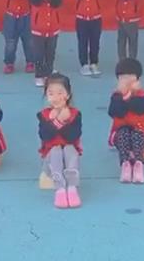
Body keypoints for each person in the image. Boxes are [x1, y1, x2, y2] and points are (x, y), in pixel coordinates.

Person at [108, 58, 144, 184]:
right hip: (121, 131)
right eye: (123, 77)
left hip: (141, 132)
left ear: (138, 78)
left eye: (130, 76)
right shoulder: (116, 96)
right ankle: (125, 164)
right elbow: (116, 112)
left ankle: (138, 164)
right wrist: (122, 95)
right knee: (123, 133)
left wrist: (130, 95)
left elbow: (141, 109)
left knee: (137, 133)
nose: (127, 80)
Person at [37, 74, 83, 209]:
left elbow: (73, 137)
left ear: (67, 95)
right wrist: (56, 121)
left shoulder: (75, 114)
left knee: (69, 149)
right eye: (51, 93)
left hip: (69, 155)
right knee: (56, 150)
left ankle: (72, 187)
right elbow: (45, 136)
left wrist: (64, 121)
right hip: (51, 158)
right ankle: (60, 189)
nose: (55, 98)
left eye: (60, 93)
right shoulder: (43, 115)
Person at [29, 0, 63, 88]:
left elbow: (57, 3)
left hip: (53, 28)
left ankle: (48, 73)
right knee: (38, 53)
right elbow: (35, 1)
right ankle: (39, 75)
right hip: (38, 29)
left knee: (50, 52)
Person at [72, 0, 103, 77]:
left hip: (96, 18)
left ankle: (94, 63)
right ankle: (84, 64)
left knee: (95, 41)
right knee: (82, 42)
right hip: (81, 18)